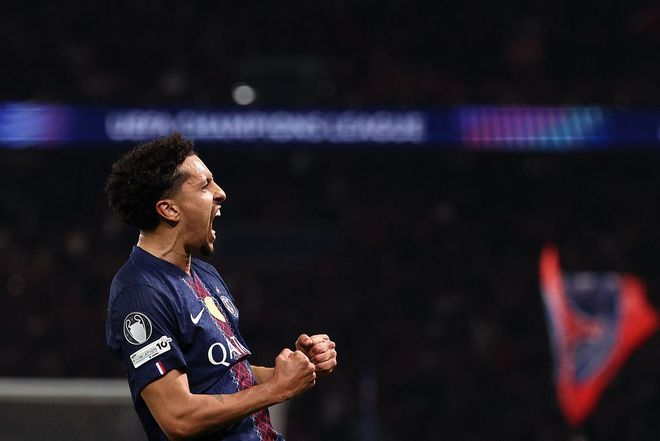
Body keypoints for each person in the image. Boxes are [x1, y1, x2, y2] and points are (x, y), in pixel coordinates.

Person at [104, 133, 337, 441]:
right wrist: (276, 389)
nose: (221, 193)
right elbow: (178, 418)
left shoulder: (204, 274)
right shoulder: (140, 293)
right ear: (169, 209)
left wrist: (297, 369)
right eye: (205, 186)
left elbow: (225, 376)